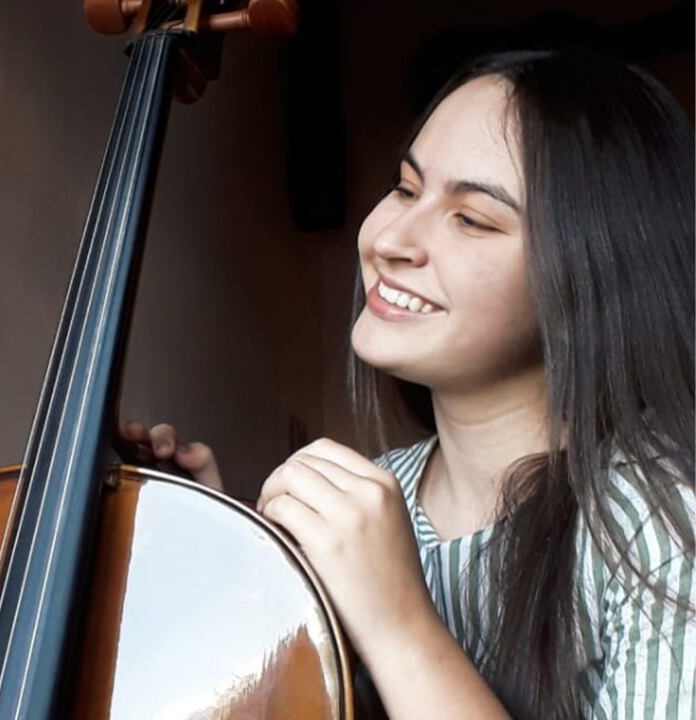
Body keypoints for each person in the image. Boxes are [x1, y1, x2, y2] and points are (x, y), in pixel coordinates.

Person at [121, 50, 695, 719]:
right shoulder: (372, 494)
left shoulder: (661, 525)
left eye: (471, 218)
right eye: (404, 187)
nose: (390, 238)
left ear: (596, 271)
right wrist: (233, 556)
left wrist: (400, 625)